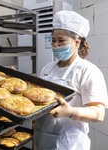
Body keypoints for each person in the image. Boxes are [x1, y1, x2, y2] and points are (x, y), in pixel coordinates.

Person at [34, 10, 108, 150]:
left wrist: (70, 112)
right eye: (53, 40)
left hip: (69, 144)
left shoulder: (88, 71)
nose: (55, 45)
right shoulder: (47, 68)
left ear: (77, 43)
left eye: (61, 40)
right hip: (42, 140)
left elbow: (99, 113)